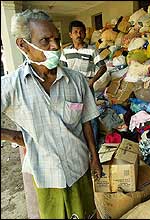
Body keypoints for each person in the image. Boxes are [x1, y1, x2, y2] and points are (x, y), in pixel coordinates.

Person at [1, 9, 102, 219]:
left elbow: (86, 122)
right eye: (45, 41)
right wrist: (15, 137)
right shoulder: (12, 86)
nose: (55, 46)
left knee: (85, 215)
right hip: (45, 175)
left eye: (56, 39)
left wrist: (95, 158)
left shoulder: (77, 81)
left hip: (78, 168)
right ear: (23, 45)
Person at [60, 20, 107, 151]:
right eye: (75, 32)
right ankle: (81, 145)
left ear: (85, 33)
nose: (78, 34)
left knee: (91, 116)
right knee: (74, 115)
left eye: (81, 31)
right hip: (71, 90)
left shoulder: (92, 50)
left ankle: (95, 147)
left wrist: (92, 81)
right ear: (70, 34)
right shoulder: (65, 52)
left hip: (86, 89)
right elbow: (62, 69)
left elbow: (103, 67)